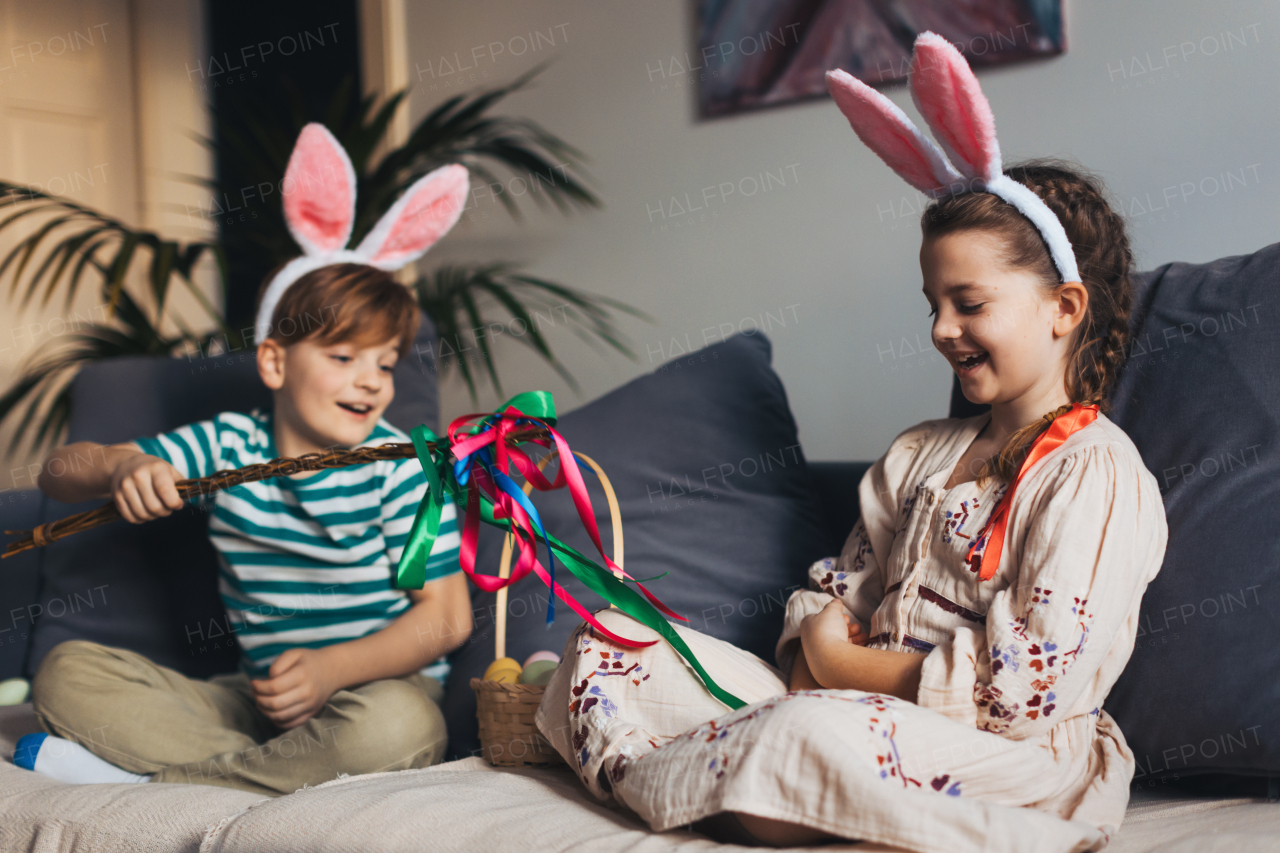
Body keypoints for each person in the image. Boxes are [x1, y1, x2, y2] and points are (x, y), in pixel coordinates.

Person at [534, 33, 1168, 852]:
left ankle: (761, 786)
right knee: (608, 649)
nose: (942, 329)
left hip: (997, 751)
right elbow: (839, 596)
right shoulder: (919, 454)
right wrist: (816, 664)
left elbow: (1027, 692)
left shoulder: (1097, 475)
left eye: (969, 303)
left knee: (805, 734)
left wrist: (838, 675)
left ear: (1065, 307)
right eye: (933, 303)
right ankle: (780, 792)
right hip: (836, 706)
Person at [15, 123, 476, 796]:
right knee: (65, 673)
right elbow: (59, 472)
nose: (373, 380)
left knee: (403, 725)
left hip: (369, 692)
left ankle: (160, 782)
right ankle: (263, 776)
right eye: (344, 357)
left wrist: (330, 671)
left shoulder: (403, 463)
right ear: (274, 360)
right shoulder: (228, 446)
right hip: (255, 702)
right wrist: (120, 466)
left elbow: (446, 617)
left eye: (385, 362)